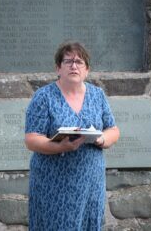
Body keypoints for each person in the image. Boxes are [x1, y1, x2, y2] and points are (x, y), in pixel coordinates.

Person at [25, 42, 120, 231]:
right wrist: (61, 147)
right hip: (54, 183)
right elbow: (31, 139)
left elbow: (113, 130)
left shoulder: (97, 95)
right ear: (58, 68)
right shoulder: (44, 97)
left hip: (90, 181)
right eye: (68, 61)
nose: (74, 66)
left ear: (87, 70)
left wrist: (101, 139)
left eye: (79, 62)